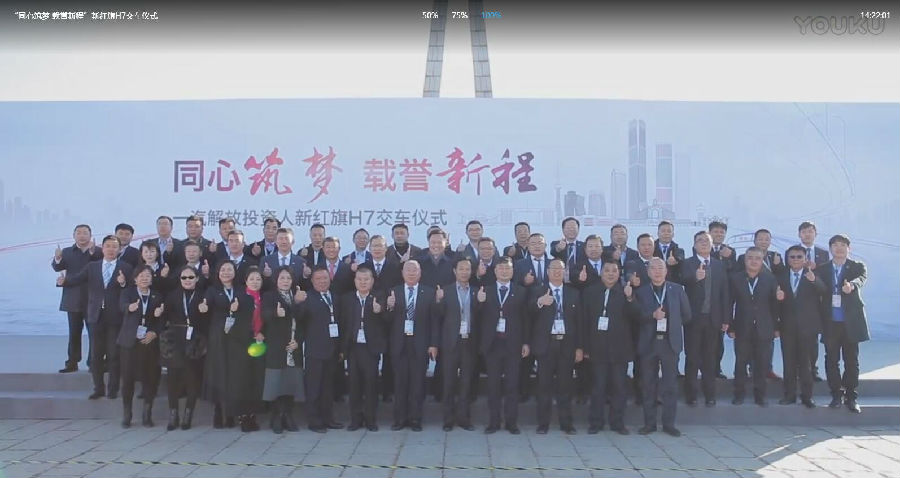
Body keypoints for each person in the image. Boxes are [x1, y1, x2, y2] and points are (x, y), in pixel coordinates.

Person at [57, 235, 133, 399]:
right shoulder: (92, 266)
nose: (111, 249)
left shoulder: (125, 268)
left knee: (113, 355)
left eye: (114, 247)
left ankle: (113, 390)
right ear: (102, 248)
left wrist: (123, 283)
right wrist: (63, 281)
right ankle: (98, 389)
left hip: (115, 317)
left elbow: (131, 290)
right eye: (108, 246)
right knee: (96, 356)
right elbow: (77, 279)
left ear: (119, 250)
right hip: (95, 316)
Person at [635, 258, 691, 437]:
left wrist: (672, 324)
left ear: (666, 271)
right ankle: (649, 424)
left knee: (670, 386)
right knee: (648, 385)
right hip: (649, 343)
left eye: (661, 268)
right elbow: (635, 317)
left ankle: (669, 424)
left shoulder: (677, 289)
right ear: (648, 272)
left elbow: (687, 315)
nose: (657, 271)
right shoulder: (641, 292)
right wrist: (652, 316)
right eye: (653, 268)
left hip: (669, 343)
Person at [582, 261, 637, 435]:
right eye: (607, 270)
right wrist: (584, 347)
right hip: (597, 348)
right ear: (601, 273)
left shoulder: (625, 292)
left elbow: (636, 317)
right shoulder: (590, 292)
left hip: (620, 349)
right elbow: (584, 320)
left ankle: (617, 423)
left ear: (619, 273)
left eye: (614, 271)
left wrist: (630, 298)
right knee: (597, 387)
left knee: (619, 388)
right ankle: (595, 422)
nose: (611, 274)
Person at [386, 260, 440, 431]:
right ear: (402, 273)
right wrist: (389, 307)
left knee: (418, 383)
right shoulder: (393, 292)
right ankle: (399, 419)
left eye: (414, 270)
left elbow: (434, 321)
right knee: (400, 383)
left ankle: (415, 419)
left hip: (420, 344)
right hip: (399, 344)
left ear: (420, 273)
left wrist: (433, 344)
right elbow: (386, 321)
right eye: (408, 270)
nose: (411, 273)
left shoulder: (429, 292)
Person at [478, 257, 530, 435]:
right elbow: (478, 317)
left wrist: (526, 342)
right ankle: (493, 422)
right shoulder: (486, 290)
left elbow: (526, 319)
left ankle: (511, 422)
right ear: (495, 271)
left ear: (512, 271)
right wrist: (479, 302)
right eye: (500, 268)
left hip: (513, 345)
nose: (504, 271)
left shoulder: (521, 291)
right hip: (493, 345)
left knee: (512, 385)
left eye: (507, 268)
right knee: (493, 386)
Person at [680, 231, 731, 407]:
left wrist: (726, 318)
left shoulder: (718, 265)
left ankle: (710, 395)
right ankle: (691, 395)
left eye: (706, 241)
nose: (703, 243)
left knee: (710, 359)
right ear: (694, 245)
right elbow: (681, 282)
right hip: (693, 319)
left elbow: (725, 293)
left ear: (711, 245)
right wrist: (695, 277)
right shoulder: (688, 263)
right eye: (699, 241)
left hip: (713, 319)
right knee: (692, 358)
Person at [818, 234, 869, 414]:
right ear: (830, 248)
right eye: (835, 245)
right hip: (830, 322)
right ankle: (835, 394)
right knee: (831, 360)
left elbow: (861, 279)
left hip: (850, 322)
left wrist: (852, 286)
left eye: (842, 245)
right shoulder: (823, 269)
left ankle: (851, 396)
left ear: (849, 248)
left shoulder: (857, 266)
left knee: (851, 360)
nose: (839, 248)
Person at [531, 259, 582, 434]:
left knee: (565, 386)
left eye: (560, 269)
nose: (557, 272)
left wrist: (579, 347)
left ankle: (566, 423)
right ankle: (543, 423)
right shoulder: (538, 291)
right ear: (547, 272)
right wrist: (539, 302)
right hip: (546, 345)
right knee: (543, 385)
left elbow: (579, 322)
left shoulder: (573, 293)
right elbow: (527, 314)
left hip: (567, 345)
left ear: (565, 272)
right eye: (553, 269)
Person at [729, 247, 783, 407]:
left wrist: (776, 327)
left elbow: (775, 306)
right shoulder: (735, 278)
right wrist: (730, 326)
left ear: (762, 261)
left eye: (757, 258)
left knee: (762, 364)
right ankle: (738, 394)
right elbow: (729, 303)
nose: (754, 261)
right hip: (742, 327)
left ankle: (760, 396)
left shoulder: (770, 279)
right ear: (745, 260)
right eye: (750, 258)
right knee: (740, 363)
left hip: (764, 328)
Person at [776, 245, 826, 408]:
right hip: (787, 327)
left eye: (799, 257)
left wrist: (814, 280)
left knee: (807, 364)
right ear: (787, 259)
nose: (796, 259)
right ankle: (789, 395)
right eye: (792, 257)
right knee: (788, 362)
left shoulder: (813, 275)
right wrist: (777, 298)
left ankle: (807, 396)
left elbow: (824, 292)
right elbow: (773, 303)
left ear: (805, 259)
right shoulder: (780, 276)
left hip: (808, 328)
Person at [161, 265, 208, 430]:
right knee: (172, 378)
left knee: (192, 378)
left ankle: (188, 414)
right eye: (184, 277)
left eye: (191, 277)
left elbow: (207, 321)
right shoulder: (172, 296)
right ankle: (173, 414)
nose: (187, 280)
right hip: (176, 338)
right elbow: (164, 317)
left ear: (197, 278)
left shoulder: (202, 296)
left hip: (195, 339)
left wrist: (205, 311)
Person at [437, 257, 481, 431]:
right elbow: (438, 317)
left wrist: (482, 302)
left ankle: (464, 418)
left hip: (469, 342)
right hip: (450, 343)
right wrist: (438, 301)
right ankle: (448, 419)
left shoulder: (477, 292)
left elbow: (482, 317)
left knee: (466, 382)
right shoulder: (445, 291)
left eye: (467, 269)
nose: (464, 272)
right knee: (448, 382)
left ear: (471, 272)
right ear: (455, 271)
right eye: (461, 269)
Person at [117, 265, 164, 428]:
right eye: (141, 276)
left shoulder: (157, 296)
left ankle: (147, 414)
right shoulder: (128, 293)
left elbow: (161, 321)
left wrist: (154, 332)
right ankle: (127, 414)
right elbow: (121, 306)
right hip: (130, 342)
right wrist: (129, 307)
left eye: (148, 276)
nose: (144, 278)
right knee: (127, 379)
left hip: (149, 342)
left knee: (150, 377)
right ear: (135, 279)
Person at [298, 267, 344, 433]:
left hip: (332, 350)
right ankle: (314, 421)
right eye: (318, 279)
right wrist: (298, 303)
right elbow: (299, 318)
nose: (322, 281)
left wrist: (341, 348)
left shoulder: (336, 297)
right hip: (314, 350)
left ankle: (328, 418)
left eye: (325, 278)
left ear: (330, 278)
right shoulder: (307, 297)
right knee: (314, 387)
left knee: (328, 387)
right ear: (312, 281)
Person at [52, 224, 101, 373]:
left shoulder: (99, 251)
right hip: (73, 298)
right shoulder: (67, 251)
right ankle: (72, 363)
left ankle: (93, 363)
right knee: (74, 333)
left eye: (85, 233)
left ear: (90, 235)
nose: (82, 235)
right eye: (78, 233)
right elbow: (57, 267)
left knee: (94, 333)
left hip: (93, 298)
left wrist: (93, 253)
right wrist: (58, 258)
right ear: (74, 236)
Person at [261, 267, 306, 433]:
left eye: (288, 278)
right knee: (276, 382)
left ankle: (288, 414)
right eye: (282, 278)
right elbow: (264, 315)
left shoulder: (298, 295)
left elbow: (303, 320)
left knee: (291, 381)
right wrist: (275, 312)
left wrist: (298, 341)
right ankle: (277, 416)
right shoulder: (269, 296)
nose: (285, 281)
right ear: (276, 280)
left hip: (293, 345)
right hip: (277, 345)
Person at [341, 267, 385, 432]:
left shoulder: (379, 297)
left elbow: (388, 320)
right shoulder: (347, 299)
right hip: (353, 348)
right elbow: (343, 323)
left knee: (371, 385)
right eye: (359, 279)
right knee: (354, 385)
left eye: (366, 279)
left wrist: (380, 311)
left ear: (372, 281)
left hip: (370, 348)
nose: (363, 282)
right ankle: (355, 419)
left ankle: (371, 419)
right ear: (355, 281)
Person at [201, 260, 241, 428]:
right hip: (218, 335)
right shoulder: (212, 290)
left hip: (237, 336)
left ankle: (231, 413)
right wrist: (203, 306)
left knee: (233, 373)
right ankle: (218, 411)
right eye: (223, 270)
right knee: (219, 372)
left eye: (229, 269)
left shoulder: (240, 289)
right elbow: (205, 305)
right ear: (217, 273)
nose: (226, 272)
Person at [230, 267, 267, 431]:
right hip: (242, 344)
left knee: (256, 378)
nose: (255, 282)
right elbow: (236, 322)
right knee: (242, 380)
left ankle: (253, 414)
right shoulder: (239, 297)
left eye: (258, 279)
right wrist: (252, 333)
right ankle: (242, 415)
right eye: (252, 279)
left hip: (259, 344)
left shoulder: (263, 299)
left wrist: (262, 333)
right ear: (246, 281)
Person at [368, 235, 402, 403]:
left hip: (389, 316)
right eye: (374, 246)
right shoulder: (363, 267)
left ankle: (388, 392)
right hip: (369, 316)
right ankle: (371, 392)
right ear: (370, 249)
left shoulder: (395, 267)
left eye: (380, 246)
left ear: (386, 248)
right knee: (370, 358)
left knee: (389, 357)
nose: (377, 249)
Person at [795, 221, 830, 382]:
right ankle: (798, 369)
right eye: (804, 232)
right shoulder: (794, 251)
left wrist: (816, 268)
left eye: (810, 231)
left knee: (812, 339)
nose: (807, 234)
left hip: (816, 301)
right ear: (799, 235)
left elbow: (826, 276)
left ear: (815, 234)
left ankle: (813, 369)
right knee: (797, 339)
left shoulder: (823, 253)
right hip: (798, 300)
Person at [708, 220, 734, 379]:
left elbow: (733, 272)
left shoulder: (730, 251)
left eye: (721, 232)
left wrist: (727, 258)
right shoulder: (701, 248)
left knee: (718, 340)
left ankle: (716, 368)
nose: (718, 234)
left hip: (721, 301)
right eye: (715, 231)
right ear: (709, 233)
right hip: (704, 302)